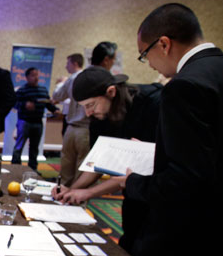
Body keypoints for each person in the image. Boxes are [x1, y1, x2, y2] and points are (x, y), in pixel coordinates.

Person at [118, 3, 223, 256]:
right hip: (213, 240)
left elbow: (187, 180)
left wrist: (132, 184)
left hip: (182, 241)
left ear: (164, 44)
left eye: (145, 55)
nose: (148, 65)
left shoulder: (185, 87)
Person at [51, 66, 162, 205]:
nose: (88, 113)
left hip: (159, 193)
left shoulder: (152, 104)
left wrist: (89, 192)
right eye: (84, 107)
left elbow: (136, 170)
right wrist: (71, 190)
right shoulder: (99, 117)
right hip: (131, 194)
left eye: (90, 105)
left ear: (111, 92)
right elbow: (98, 163)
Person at [11, 67, 60, 171]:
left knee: (34, 148)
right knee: (19, 146)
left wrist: (55, 110)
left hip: (38, 123)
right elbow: (14, 104)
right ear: (27, 77)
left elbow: (48, 104)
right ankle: (15, 168)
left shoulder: (43, 90)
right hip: (24, 122)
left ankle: (32, 170)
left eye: (37, 75)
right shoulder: (22, 90)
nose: (36, 77)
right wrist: (25, 104)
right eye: (33, 75)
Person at [52, 53, 90, 186]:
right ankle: (77, 202)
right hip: (86, 130)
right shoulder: (89, 78)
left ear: (74, 64)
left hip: (71, 128)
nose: (65, 66)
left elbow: (57, 95)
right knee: (81, 169)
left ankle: (62, 198)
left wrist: (61, 83)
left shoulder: (72, 79)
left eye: (67, 63)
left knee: (66, 169)